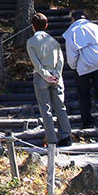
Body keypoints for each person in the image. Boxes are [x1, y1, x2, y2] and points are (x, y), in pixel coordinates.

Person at [64, 9, 98, 130]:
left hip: (82, 66)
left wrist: (73, 66)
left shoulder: (71, 32)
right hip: (97, 62)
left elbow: (72, 54)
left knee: (84, 94)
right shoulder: (97, 28)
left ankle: (87, 121)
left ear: (73, 19)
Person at [26, 12, 73, 147]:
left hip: (42, 77)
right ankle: (66, 135)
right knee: (60, 106)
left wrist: (46, 75)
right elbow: (60, 59)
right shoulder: (54, 41)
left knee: (45, 109)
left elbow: (36, 62)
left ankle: (51, 138)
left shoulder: (31, 42)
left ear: (33, 26)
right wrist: (56, 74)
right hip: (57, 77)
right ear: (46, 25)